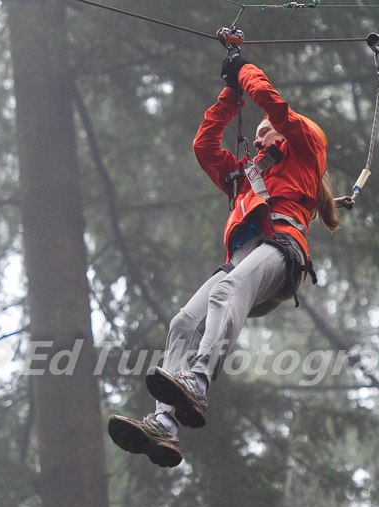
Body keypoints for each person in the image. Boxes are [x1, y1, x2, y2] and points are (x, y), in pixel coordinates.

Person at [108, 53, 340, 468]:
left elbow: (273, 105)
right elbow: (204, 145)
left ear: (287, 134)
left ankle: (197, 381)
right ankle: (164, 425)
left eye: (265, 130)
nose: (258, 136)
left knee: (227, 290)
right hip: (246, 259)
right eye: (256, 132)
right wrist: (231, 93)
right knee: (182, 323)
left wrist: (244, 72)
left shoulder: (306, 146)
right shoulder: (244, 177)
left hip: (283, 250)